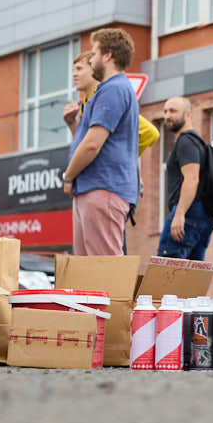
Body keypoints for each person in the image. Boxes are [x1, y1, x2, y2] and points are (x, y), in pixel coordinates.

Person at [61, 28, 140, 256]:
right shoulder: (109, 90)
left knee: (105, 273)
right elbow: (90, 141)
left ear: (107, 56)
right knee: (89, 274)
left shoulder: (113, 89)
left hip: (103, 188)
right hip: (95, 189)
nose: (91, 58)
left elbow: (92, 145)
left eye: (94, 53)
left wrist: (68, 176)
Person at [63, 51, 159, 156]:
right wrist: (72, 123)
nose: (74, 74)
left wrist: (124, 157)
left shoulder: (107, 98)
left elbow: (151, 133)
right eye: (74, 70)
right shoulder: (86, 103)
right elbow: (83, 144)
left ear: (93, 69)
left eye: (79, 69)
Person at [158, 97, 213, 261]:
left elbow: (191, 179)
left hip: (188, 213)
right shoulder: (197, 142)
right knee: (193, 278)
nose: (168, 116)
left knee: (167, 272)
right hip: (202, 215)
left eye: (173, 111)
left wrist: (179, 214)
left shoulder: (186, 142)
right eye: (165, 111)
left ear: (188, 114)